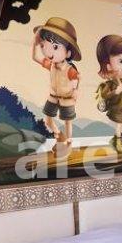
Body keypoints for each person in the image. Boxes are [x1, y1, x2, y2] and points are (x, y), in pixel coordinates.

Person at [32, 17, 81, 154]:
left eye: (55, 47)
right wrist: (35, 43)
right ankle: (59, 136)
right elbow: (35, 57)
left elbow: (77, 79)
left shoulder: (69, 69)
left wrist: (76, 90)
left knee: (68, 122)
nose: (49, 52)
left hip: (67, 98)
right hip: (53, 96)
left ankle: (68, 143)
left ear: (68, 52)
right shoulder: (51, 65)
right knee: (48, 120)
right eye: (44, 46)